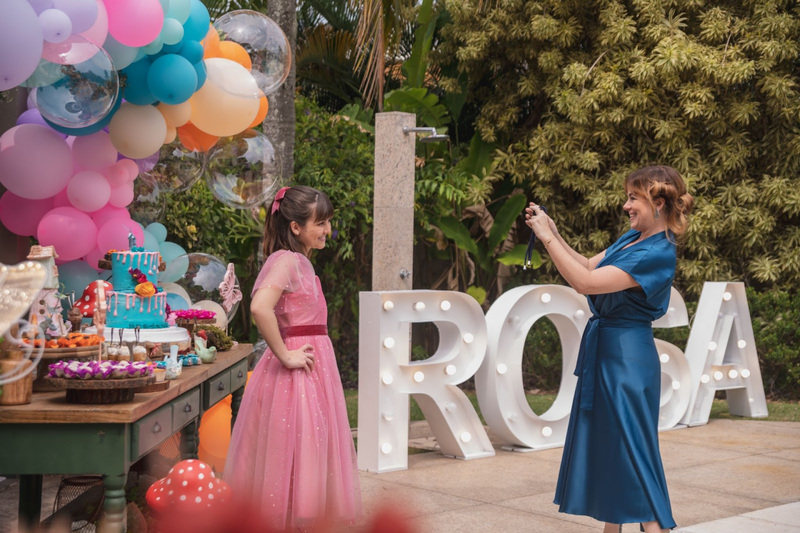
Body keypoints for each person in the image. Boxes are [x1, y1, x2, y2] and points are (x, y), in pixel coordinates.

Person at [525, 166, 693, 533]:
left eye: (633, 197)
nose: (625, 205)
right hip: (607, 354)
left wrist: (547, 239)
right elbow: (587, 265)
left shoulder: (657, 252)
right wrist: (551, 231)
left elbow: (585, 283)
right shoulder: (632, 239)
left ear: (659, 202)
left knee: (634, 455)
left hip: (626, 362)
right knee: (611, 452)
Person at [224, 185, 362, 531]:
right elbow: (259, 307)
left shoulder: (300, 262)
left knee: (307, 448)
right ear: (296, 227)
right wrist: (285, 355)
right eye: (321, 223)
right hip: (298, 373)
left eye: (328, 222)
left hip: (313, 368)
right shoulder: (287, 260)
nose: (328, 230)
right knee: (299, 445)